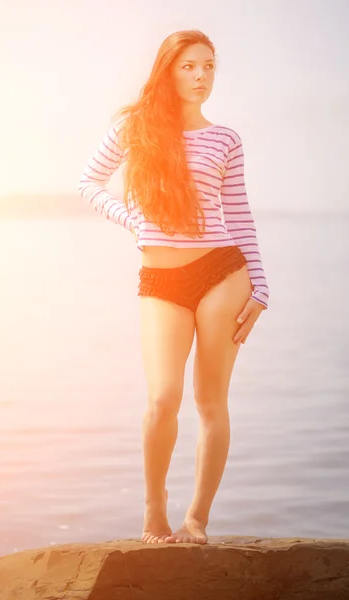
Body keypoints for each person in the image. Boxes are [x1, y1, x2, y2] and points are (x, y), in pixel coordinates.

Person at [78, 29, 269, 545]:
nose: (201, 76)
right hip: (160, 278)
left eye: (209, 66)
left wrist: (261, 287)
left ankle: (197, 520)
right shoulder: (133, 128)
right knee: (162, 398)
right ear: (168, 69)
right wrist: (134, 223)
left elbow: (240, 214)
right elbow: (87, 184)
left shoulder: (225, 138)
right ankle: (154, 509)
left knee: (211, 401)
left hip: (223, 271)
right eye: (189, 66)